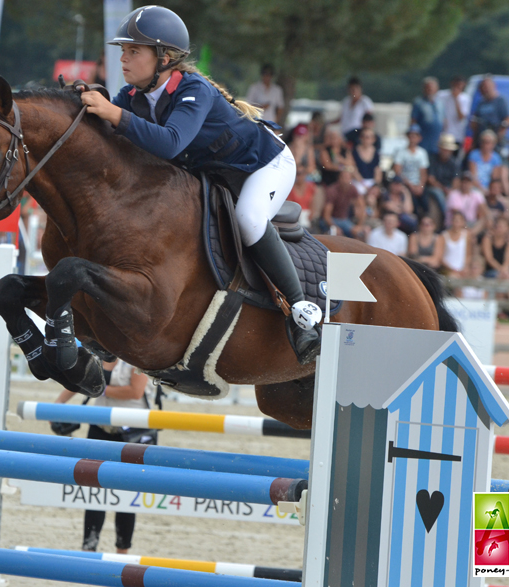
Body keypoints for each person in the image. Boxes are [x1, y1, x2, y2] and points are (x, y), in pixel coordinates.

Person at [81, 5, 322, 362]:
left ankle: (301, 314)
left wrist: (114, 114)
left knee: (249, 219)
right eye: (123, 51)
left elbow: (170, 142)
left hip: (261, 166)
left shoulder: (193, 89)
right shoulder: (133, 98)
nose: (123, 59)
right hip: (214, 174)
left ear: (164, 57)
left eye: (134, 51)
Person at [52, 359, 158, 553]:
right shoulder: (98, 352)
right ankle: (89, 548)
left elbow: (135, 391)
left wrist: (98, 389)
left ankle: (122, 550)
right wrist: (58, 404)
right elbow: (80, 381)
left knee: (126, 494)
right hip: (100, 427)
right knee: (94, 491)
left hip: (132, 432)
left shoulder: (137, 352)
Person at [392, 124, 429, 218]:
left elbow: (423, 173)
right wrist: (410, 185)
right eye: (411, 135)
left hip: (417, 184)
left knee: (426, 203)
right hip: (406, 183)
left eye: (415, 135)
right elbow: (398, 172)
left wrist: (420, 186)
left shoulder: (422, 153)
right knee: (413, 203)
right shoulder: (401, 152)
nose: (412, 138)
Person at [424, 133, 461, 222]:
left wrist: (451, 190)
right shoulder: (433, 159)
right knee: (438, 193)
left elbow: (456, 179)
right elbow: (430, 179)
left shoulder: (454, 163)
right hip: (435, 188)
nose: (446, 151)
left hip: (448, 189)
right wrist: (443, 189)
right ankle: (446, 216)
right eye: (444, 149)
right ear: (440, 148)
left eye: (448, 149)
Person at [471, 76, 509, 148]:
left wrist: (501, 131)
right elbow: (475, 118)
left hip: (495, 137)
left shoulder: (500, 101)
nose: (484, 89)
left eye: (486, 86)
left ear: (493, 86)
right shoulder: (481, 102)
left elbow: (508, 119)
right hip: (482, 137)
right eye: (483, 87)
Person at [321, 166, 360, 237]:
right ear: (339, 178)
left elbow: (361, 206)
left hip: (344, 220)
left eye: (348, 178)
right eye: (344, 177)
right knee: (337, 234)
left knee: (359, 233)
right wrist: (335, 227)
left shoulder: (353, 189)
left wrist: (360, 225)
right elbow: (326, 216)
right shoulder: (332, 190)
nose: (346, 180)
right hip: (331, 220)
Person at [410, 77, 444, 157]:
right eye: (428, 88)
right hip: (423, 141)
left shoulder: (440, 103)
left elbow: (443, 120)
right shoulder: (419, 103)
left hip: (436, 142)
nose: (430, 91)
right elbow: (413, 121)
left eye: (432, 88)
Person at [467, 129, 508, 194]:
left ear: (493, 144)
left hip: (489, 188)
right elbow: (473, 176)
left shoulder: (496, 158)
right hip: (475, 187)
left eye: (489, 142)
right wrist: (482, 189)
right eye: (484, 142)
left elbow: (494, 178)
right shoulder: (474, 155)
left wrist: (489, 190)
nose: (486, 145)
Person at [335, 77, 373, 142]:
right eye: (351, 89)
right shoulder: (346, 101)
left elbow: (369, 119)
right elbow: (341, 118)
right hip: (345, 132)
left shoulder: (365, 102)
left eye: (354, 89)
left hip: (357, 132)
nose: (352, 92)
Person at [437, 76, 470, 149]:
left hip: (457, 135)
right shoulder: (441, 95)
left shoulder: (465, 98)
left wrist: (456, 99)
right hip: (443, 133)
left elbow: (461, 117)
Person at [441, 208, 472, 278]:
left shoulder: (467, 235)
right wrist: (452, 270)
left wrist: (465, 267)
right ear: (451, 221)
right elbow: (441, 257)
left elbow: (468, 254)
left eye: (459, 220)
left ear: (463, 222)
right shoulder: (444, 235)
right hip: (448, 270)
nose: (457, 222)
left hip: (463, 270)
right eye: (455, 220)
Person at [481, 216, 509, 281]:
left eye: (502, 226)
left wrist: (504, 271)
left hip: (504, 271)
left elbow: (508, 260)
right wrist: (501, 270)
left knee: (508, 276)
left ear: (508, 228)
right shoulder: (488, 239)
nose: (499, 228)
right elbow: (489, 259)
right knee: (503, 277)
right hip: (491, 270)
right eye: (498, 226)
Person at [350, 127, 381, 194]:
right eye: (364, 137)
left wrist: (375, 185)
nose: (366, 140)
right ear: (361, 138)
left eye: (368, 137)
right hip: (358, 181)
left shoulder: (376, 153)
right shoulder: (354, 151)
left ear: (373, 139)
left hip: (372, 182)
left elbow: (377, 171)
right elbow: (354, 170)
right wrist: (364, 184)